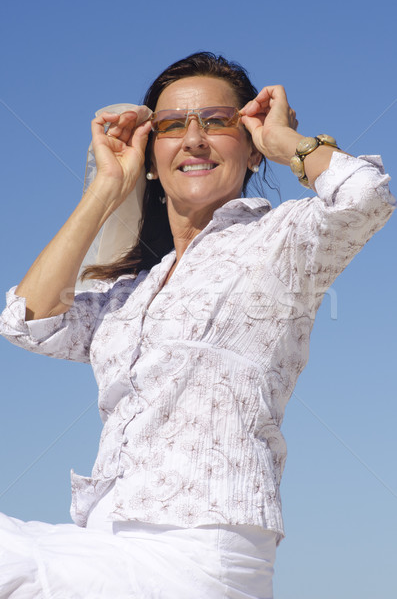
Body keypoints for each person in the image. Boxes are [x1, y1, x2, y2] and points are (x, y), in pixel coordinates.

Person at [0, 51, 394, 599]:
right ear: (152, 154)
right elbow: (30, 321)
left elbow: (365, 195)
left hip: (200, 550)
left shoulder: (281, 243)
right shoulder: (133, 292)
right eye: (171, 126)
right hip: (102, 539)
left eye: (217, 122)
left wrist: (282, 141)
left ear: (250, 147)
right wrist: (107, 187)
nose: (194, 138)